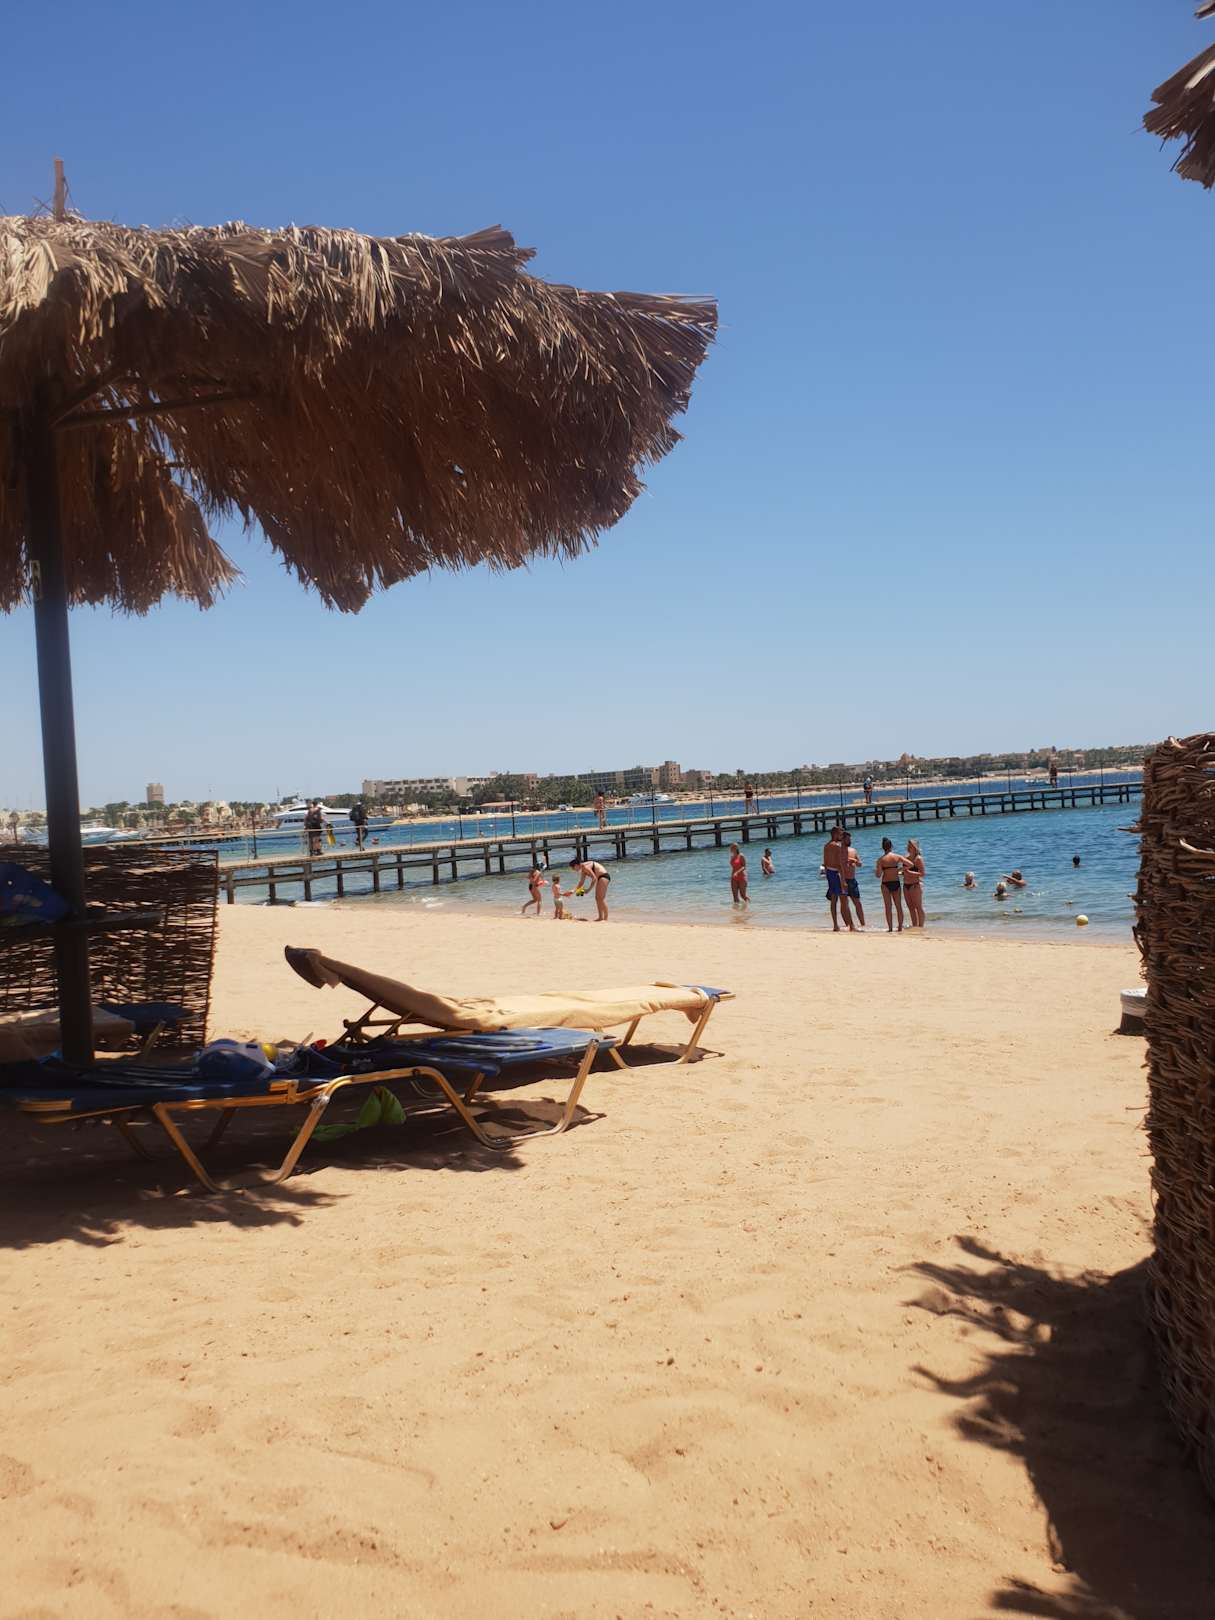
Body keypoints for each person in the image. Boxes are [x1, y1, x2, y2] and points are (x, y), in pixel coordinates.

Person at [822, 826, 854, 932]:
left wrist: (828, 876)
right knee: (844, 900)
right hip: (836, 874)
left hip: (829, 873)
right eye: (840, 834)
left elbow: (825, 863)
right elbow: (839, 864)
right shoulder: (837, 846)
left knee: (834, 900)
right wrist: (843, 880)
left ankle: (835, 925)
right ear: (835, 834)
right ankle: (852, 926)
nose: (841, 836)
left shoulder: (826, 846)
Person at [874, 837, 907, 931]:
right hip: (895, 882)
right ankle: (900, 927)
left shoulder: (880, 860)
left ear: (882, 847)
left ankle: (890, 928)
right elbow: (910, 864)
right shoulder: (897, 857)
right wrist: (900, 870)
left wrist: (877, 870)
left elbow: (878, 875)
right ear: (891, 846)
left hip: (885, 884)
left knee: (888, 907)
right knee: (898, 906)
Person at [570, 856, 611, 921]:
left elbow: (594, 878)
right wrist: (573, 891)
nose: (573, 870)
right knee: (597, 898)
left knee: (600, 898)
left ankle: (605, 918)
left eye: (573, 868)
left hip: (604, 876)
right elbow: (581, 883)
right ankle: (600, 917)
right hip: (600, 878)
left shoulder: (585, 867)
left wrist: (588, 890)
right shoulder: (583, 869)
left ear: (576, 865)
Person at [843, 831, 866, 928]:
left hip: (852, 880)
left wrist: (855, 861)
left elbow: (860, 864)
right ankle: (848, 925)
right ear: (843, 840)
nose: (850, 841)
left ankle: (863, 924)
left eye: (850, 839)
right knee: (845, 904)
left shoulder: (853, 850)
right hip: (842, 879)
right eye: (848, 839)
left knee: (858, 903)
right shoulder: (838, 851)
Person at [903, 838, 926, 928]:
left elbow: (922, 874)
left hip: (915, 885)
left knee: (918, 907)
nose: (908, 847)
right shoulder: (905, 858)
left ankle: (921, 926)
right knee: (910, 907)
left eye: (910, 846)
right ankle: (915, 926)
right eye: (908, 846)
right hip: (906, 885)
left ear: (915, 847)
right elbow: (904, 871)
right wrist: (901, 872)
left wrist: (909, 872)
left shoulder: (918, 859)